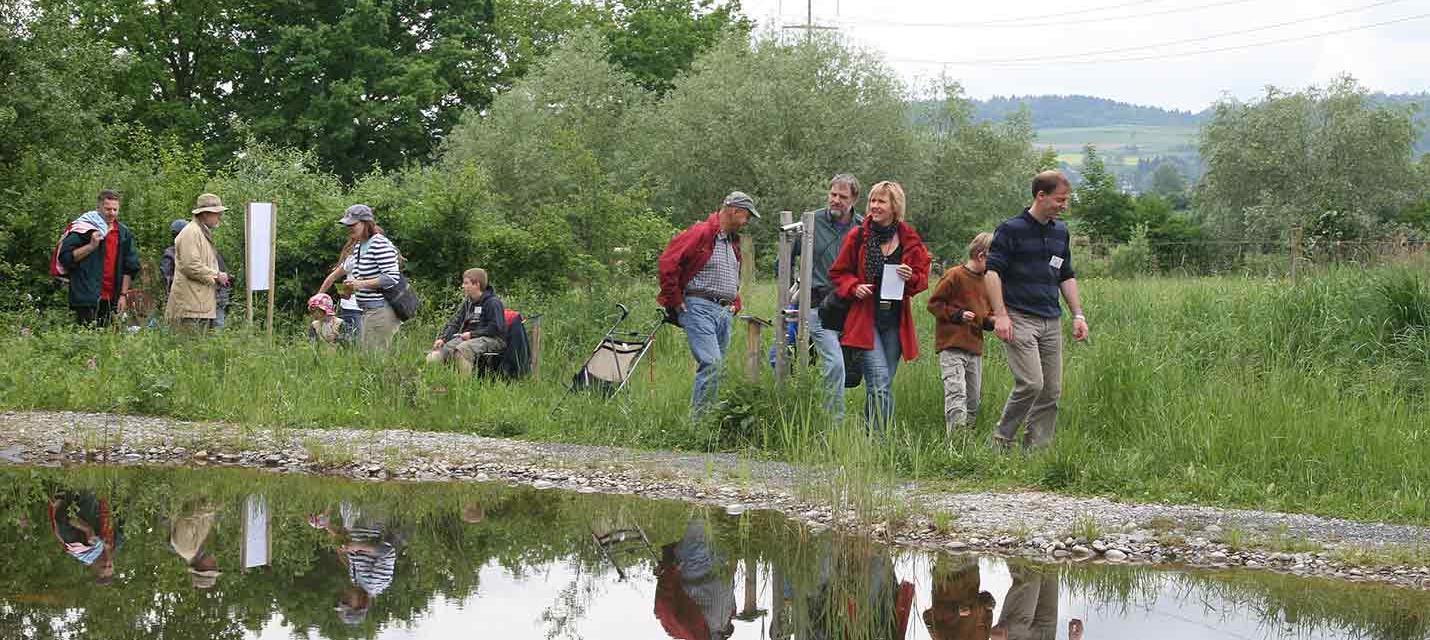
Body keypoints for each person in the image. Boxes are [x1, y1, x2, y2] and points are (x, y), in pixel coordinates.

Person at [985, 171, 1090, 451]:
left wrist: (1078, 314)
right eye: (1059, 200)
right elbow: (992, 272)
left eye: (1066, 200)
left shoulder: (1060, 231)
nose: (1063, 205)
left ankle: (1037, 450)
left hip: (1051, 319)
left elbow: (1066, 275)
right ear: (1040, 196)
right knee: (1031, 382)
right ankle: (1001, 440)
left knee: (1051, 390)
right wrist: (1001, 315)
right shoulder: (1010, 229)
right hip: (1019, 316)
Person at [828, 181, 930, 431]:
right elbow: (838, 273)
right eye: (872, 201)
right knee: (880, 382)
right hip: (865, 320)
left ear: (895, 206)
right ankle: (882, 442)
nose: (874, 206)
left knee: (880, 385)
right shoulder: (859, 235)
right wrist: (854, 287)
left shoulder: (909, 237)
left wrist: (911, 277)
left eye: (881, 201)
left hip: (895, 321)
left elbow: (922, 279)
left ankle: (869, 437)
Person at [658, 191, 760, 420]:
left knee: (718, 368)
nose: (747, 222)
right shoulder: (702, 232)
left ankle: (708, 421)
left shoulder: (731, 242)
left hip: (723, 312)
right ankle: (699, 425)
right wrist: (674, 300)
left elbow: (730, 277)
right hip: (698, 306)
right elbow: (668, 263)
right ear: (734, 211)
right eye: (746, 216)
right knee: (712, 364)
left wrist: (736, 302)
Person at [790, 174, 863, 419]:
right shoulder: (811, 222)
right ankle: (833, 423)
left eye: (843, 197)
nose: (836, 200)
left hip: (848, 307)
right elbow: (787, 255)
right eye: (833, 194)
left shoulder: (862, 229)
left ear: (854, 199)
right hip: (816, 305)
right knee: (833, 363)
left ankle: (822, 413)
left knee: (852, 370)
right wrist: (790, 289)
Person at [927, 232, 996, 439]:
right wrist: (957, 315)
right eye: (995, 258)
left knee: (973, 399)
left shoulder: (989, 282)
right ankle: (955, 443)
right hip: (952, 345)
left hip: (974, 347)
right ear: (982, 255)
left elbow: (987, 314)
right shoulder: (954, 275)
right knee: (956, 393)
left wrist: (995, 322)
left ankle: (967, 440)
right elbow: (934, 304)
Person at [316, 204, 404, 350]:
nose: (349, 227)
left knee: (373, 359)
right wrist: (349, 290)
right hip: (367, 310)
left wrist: (360, 285)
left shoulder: (379, 243)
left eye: (353, 224)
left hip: (382, 309)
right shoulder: (359, 246)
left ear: (366, 223)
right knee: (368, 357)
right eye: (347, 224)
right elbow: (360, 278)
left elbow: (391, 277)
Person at [309, 503, 403, 626]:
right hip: (372, 518)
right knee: (373, 487)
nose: (344, 597)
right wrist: (360, 546)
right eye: (347, 602)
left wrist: (326, 525)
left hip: (352, 520)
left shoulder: (356, 581)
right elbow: (388, 552)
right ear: (361, 605)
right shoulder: (375, 584)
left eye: (342, 601)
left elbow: (348, 543)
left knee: (348, 486)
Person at [57, 189, 141, 326]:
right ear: (98, 208)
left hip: (111, 297)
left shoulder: (123, 233)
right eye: (108, 209)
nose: (112, 213)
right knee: (86, 339)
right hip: (86, 295)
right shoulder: (83, 228)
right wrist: (90, 246)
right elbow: (65, 258)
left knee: (106, 340)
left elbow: (130, 267)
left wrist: (123, 295)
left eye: (115, 209)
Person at [653, 518, 736, 640]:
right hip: (722, 558)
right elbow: (727, 593)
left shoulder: (690, 633)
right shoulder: (725, 629)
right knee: (725, 513)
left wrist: (669, 571)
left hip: (696, 559)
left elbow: (663, 609)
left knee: (703, 509)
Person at [165, 193, 233, 330]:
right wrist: (217, 275)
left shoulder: (200, 232)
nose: (220, 216)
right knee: (188, 349)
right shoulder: (191, 232)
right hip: (190, 308)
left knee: (199, 348)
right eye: (217, 213)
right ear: (205, 214)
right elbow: (190, 266)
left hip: (198, 305)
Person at [426, 268, 507, 374]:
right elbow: (455, 322)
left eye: (466, 283)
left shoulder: (493, 303)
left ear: (476, 284)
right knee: (437, 354)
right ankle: (435, 385)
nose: (463, 286)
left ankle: (463, 387)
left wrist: (472, 334)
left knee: (462, 350)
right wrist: (443, 339)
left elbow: (496, 327)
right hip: (470, 338)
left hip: (493, 339)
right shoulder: (468, 303)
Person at [47, 489, 123, 584]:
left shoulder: (78, 547)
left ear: (92, 566)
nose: (107, 562)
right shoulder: (116, 544)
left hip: (78, 486)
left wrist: (87, 529)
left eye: (103, 566)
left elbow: (60, 515)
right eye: (110, 566)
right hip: (107, 484)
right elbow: (122, 515)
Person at [922, 555, 995, 640]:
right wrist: (990, 604)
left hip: (949, 581)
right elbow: (987, 608)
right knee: (972, 544)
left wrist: (956, 611)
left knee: (952, 545)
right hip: (971, 575)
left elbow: (928, 616)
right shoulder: (983, 637)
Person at [170, 500, 222, 589]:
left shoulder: (186, 549)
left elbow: (186, 514)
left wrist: (212, 507)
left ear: (200, 567)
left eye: (212, 566)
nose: (215, 562)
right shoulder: (198, 548)